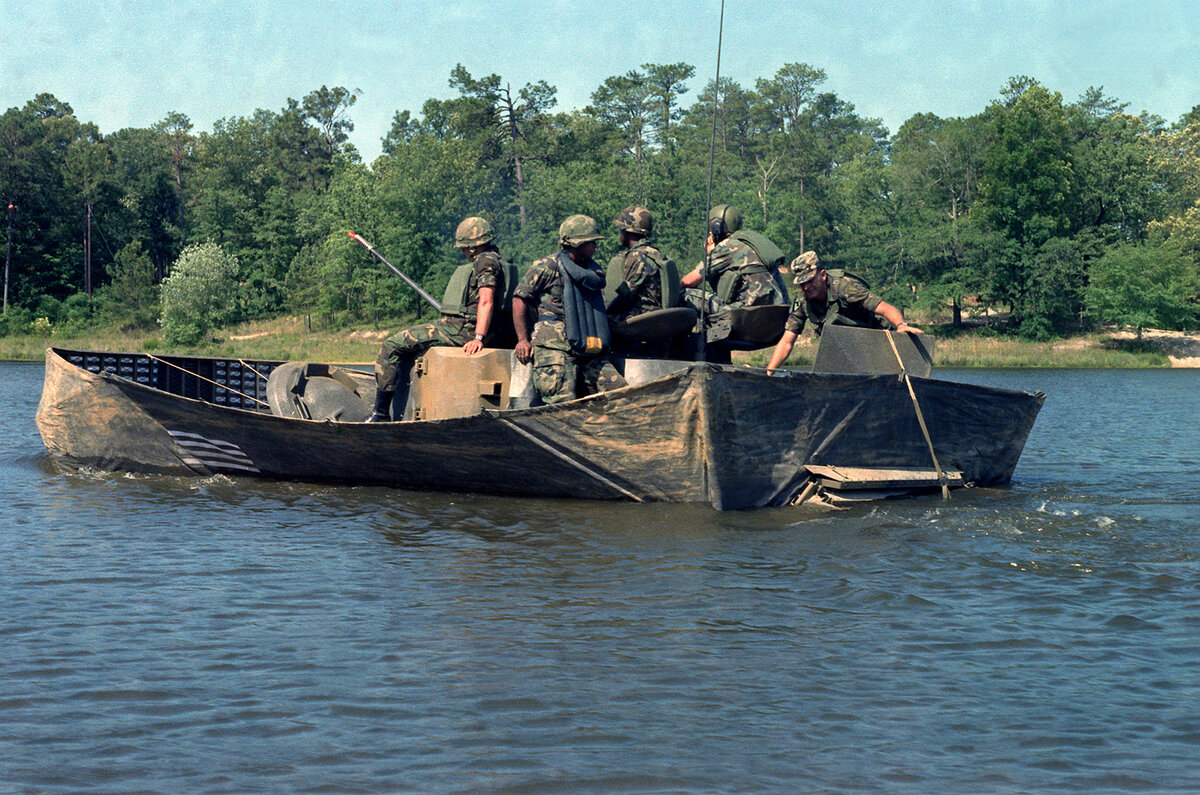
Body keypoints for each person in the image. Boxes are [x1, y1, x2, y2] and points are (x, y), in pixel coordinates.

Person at [367, 216, 506, 421]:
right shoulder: (498, 259)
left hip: (461, 329)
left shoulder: (485, 261)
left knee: (392, 345)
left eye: (464, 247)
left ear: (473, 247)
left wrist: (478, 337)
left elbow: (486, 300)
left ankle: (380, 413)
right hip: (461, 325)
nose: (463, 251)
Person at [512, 215, 627, 405]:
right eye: (591, 242)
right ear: (577, 243)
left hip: (588, 344)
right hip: (555, 347)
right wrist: (522, 340)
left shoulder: (592, 272)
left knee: (621, 394)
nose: (595, 247)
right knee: (561, 403)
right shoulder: (547, 266)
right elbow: (520, 299)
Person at [765, 251, 923, 374]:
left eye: (810, 281)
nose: (806, 287)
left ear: (823, 275)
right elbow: (787, 341)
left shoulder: (846, 288)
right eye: (802, 284)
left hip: (876, 345)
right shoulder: (803, 301)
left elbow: (886, 308)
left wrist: (901, 325)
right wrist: (769, 374)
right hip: (844, 352)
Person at [679, 204, 786, 316]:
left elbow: (690, 280)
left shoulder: (727, 247)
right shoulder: (752, 243)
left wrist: (672, 290)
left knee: (685, 293)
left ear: (717, 227)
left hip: (748, 314)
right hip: (777, 313)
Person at [606, 205, 670, 323]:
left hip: (643, 317)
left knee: (603, 319)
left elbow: (625, 296)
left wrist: (606, 308)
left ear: (626, 232)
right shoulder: (656, 253)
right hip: (659, 315)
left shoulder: (636, 257)